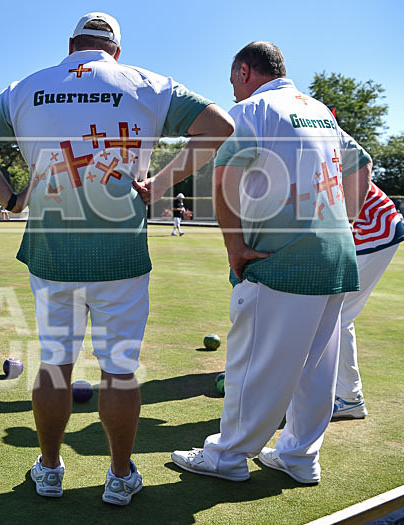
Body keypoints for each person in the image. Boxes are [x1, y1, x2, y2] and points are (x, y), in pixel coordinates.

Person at [0, 12, 233, 505]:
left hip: (51, 251)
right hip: (121, 251)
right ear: (117, 51)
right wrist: (161, 184)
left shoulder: (28, 86)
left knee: (54, 366)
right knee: (119, 371)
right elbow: (219, 126)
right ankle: (120, 477)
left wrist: (6, 196)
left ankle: (48, 469)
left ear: (71, 45)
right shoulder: (148, 83)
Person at [169, 42, 370, 485]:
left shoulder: (250, 111)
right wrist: (343, 221)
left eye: (232, 82)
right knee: (317, 365)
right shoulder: (320, 111)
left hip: (279, 258)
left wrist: (235, 247)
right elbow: (362, 164)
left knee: (251, 363)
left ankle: (227, 457)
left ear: (244, 71)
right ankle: (299, 457)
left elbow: (224, 179)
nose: (233, 92)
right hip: (335, 256)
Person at [333, 182, 404, 418]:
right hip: (369, 227)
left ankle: (349, 397)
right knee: (332, 313)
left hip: (372, 230)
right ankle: (335, 387)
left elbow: (362, 164)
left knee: (337, 315)